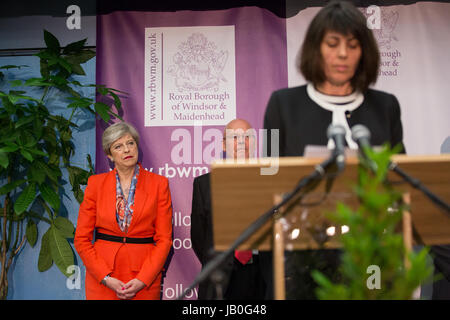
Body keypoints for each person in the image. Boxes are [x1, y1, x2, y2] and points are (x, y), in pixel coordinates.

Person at [263, 1, 405, 299]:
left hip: (370, 252)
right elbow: (269, 175)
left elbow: (400, 180)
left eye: (353, 45)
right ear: (316, 48)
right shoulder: (283, 105)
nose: (343, 54)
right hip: (303, 255)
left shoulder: (384, 107)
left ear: (364, 52)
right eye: (333, 44)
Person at [74, 122, 173, 300]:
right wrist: (105, 277)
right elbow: (82, 239)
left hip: (144, 277)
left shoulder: (159, 184)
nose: (127, 150)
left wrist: (143, 279)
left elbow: (164, 240)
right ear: (109, 155)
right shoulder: (95, 184)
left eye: (130, 143)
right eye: (118, 146)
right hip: (104, 277)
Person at [191, 119, 273, 300]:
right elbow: (198, 236)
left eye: (247, 137)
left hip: (262, 275)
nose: (242, 142)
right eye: (235, 137)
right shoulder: (204, 184)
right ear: (223, 144)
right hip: (220, 277)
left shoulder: (271, 181)